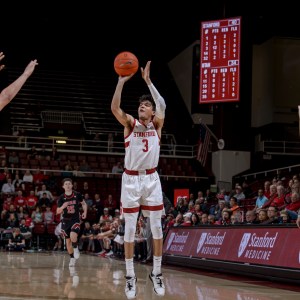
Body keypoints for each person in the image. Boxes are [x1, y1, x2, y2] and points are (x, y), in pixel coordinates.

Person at [111, 60, 166, 299]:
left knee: (156, 227)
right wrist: (120, 83)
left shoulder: (157, 124)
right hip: (131, 180)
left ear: (152, 112)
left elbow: (162, 104)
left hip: (152, 179)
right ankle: (130, 277)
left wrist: (149, 82)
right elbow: (114, 108)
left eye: (146, 105)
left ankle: (157, 272)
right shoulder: (130, 124)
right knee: (130, 230)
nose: (142, 107)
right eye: (141, 104)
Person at [56, 178, 87, 267]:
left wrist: (84, 212)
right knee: (68, 242)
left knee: (73, 235)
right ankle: (72, 258)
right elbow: (58, 211)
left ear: (72, 185)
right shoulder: (61, 198)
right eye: (66, 184)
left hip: (75, 220)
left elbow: (84, 203)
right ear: (63, 186)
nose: (68, 185)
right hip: (65, 221)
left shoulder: (77, 194)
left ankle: (76, 248)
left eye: (69, 183)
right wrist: (62, 207)